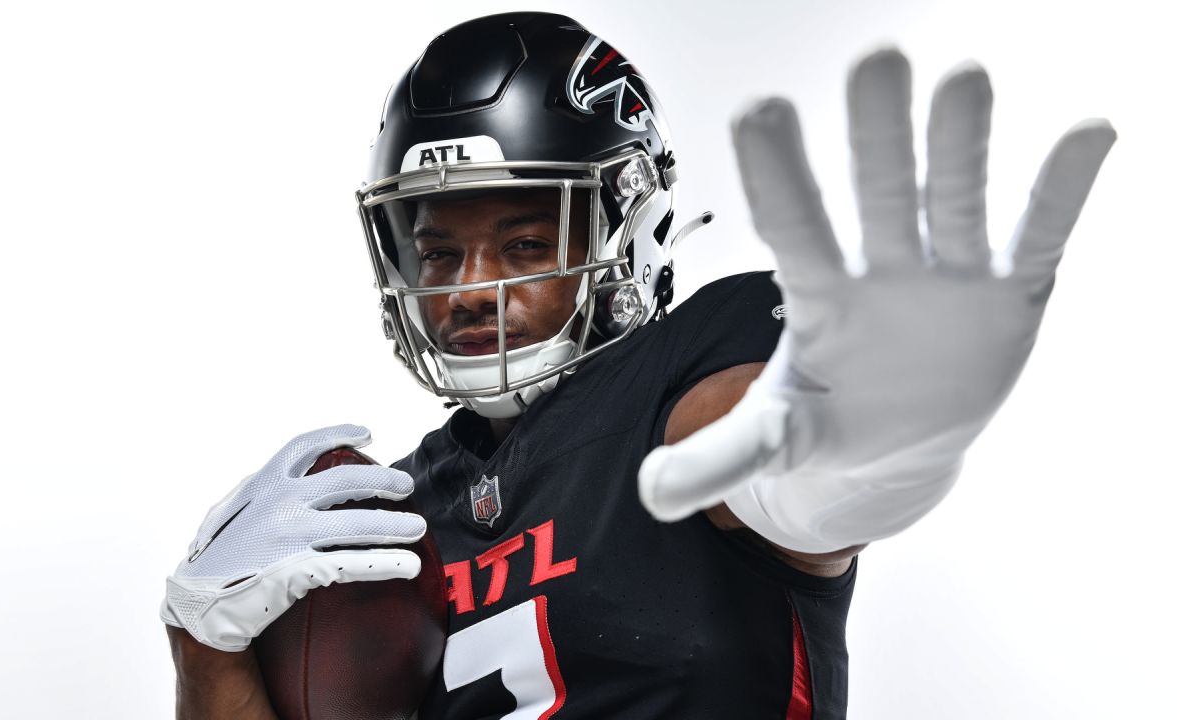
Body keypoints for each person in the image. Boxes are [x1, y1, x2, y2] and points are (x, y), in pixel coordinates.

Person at [161, 12, 1114, 719]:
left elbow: (780, 456)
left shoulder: (683, 372)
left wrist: (887, 423)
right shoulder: (394, 512)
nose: (467, 292)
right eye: (439, 252)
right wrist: (201, 641)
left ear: (632, 230)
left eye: (525, 243)